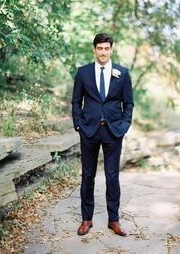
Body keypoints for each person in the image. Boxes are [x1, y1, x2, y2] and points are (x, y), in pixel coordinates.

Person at [71, 33, 134, 236]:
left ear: (111, 49)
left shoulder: (122, 73)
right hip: (89, 131)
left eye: (107, 48)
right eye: (100, 48)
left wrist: (124, 125)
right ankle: (86, 219)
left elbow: (129, 103)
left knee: (112, 176)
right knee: (88, 176)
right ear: (94, 49)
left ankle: (113, 220)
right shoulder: (83, 72)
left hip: (113, 131)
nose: (103, 52)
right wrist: (78, 124)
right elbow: (76, 101)